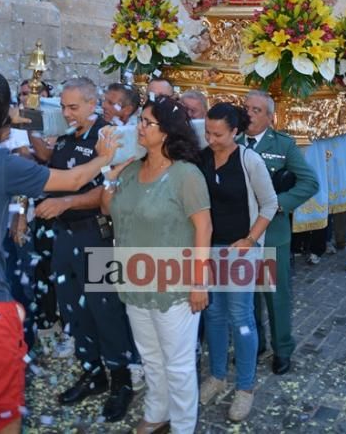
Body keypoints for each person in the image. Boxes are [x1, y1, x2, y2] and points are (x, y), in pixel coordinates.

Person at [0, 69, 119, 434]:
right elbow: (71, 179)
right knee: (3, 420)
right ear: (5, 116)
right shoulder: (2, 165)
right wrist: (104, 157)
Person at [100, 96, 212, 434]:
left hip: (174, 284)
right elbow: (108, 209)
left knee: (177, 365)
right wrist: (111, 172)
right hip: (135, 280)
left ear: (167, 132)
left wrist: (198, 282)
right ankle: (156, 412)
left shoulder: (186, 175)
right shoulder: (133, 169)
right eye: (141, 121)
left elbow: (204, 228)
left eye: (148, 122)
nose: (140, 127)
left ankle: (182, 426)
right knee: (150, 358)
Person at [33, 77, 137, 422]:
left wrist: (68, 203)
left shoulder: (109, 138)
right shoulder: (66, 138)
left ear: (93, 104)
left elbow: (110, 190)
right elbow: (57, 171)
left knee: (106, 311)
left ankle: (121, 381)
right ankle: (92, 373)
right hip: (65, 236)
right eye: (62, 106)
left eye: (72, 107)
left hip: (97, 236)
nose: (65, 113)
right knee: (74, 309)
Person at [198, 103, 278, 422]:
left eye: (218, 134)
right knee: (214, 314)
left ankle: (245, 387)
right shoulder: (202, 157)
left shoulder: (249, 160)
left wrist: (249, 240)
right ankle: (217, 376)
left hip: (240, 248)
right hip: (209, 247)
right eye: (207, 132)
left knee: (240, 315)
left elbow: (269, 203)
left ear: (235, 132)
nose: (212, 139)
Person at [240, 90, 319, 375]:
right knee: (247, 295)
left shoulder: (283, 145)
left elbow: (309, 182)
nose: (249, 113)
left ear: (270, 117)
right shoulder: (233, 142)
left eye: (256, 110)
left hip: (272, 233)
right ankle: (255, 343)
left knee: (275, 296)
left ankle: (282, 348)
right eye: (246, 107)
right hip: (241, 234)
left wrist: (278, 206)